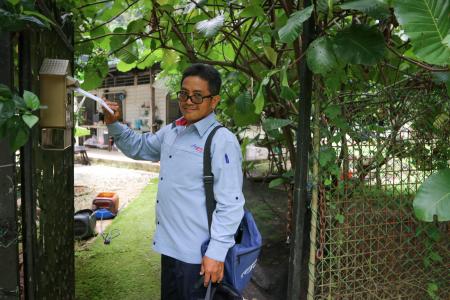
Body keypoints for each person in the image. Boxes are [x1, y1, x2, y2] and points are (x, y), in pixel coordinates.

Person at [103, 64, 245, 300]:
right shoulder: (173, 131)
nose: (188, 101)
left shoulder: (221, 141)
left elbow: (231, 204)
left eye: (198, 95)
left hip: (199, 257)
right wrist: (113, 123)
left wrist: (216, 253)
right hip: (169, 250)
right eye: (183, 93)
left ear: (214, 101)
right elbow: (140, 147)